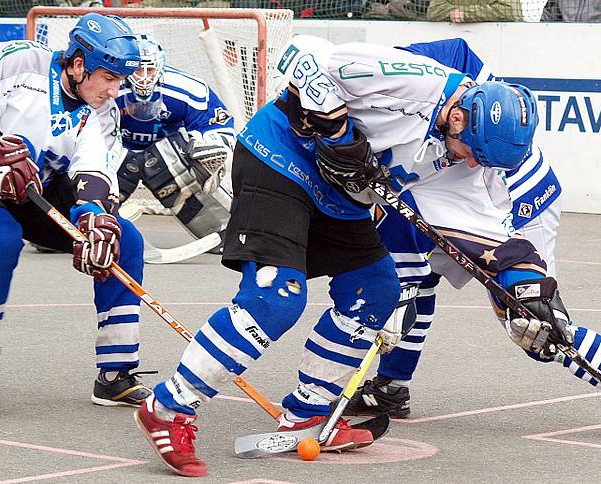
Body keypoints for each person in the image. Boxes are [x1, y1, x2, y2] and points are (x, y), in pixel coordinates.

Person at [132, 35, 418, 477]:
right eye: (467, 152)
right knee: (275, 298)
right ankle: (168, 409)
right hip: (277, 160)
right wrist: (327, 110)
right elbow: (301, 48)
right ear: (457, 118)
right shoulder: (404, 80)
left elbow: (440, 221)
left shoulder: (467, 160)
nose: (469, 163)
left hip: (337, 194)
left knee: (377, 288)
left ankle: (309, 412)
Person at [342, 37, 600, 419]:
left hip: (513, 206)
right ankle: (390, 387)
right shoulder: (424, 86)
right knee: (421, 276)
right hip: (492, 188)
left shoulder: (451, 130)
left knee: (535, 321)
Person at [0, 13, 152, 417]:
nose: (116, 91)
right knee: (1, 237)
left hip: (33, 188)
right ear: (78, 64)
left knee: (124, 239)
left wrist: (96, 218)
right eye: (110, 78)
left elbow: (93, 172)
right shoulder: (19, 60)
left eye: (121, 82)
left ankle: (115, 375)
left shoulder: (103, 113)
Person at [115, 34, 234, 251]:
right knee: (114, 164)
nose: (143, 77)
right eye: (136, 69)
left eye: (149, 70)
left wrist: (210, 152)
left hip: (168, 156)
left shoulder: (186, 88)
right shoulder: (109, 86)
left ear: (160, 67)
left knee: (168, 165)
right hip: (118, 152)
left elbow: (220, 127)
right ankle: (72, 227)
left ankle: (223, 230)